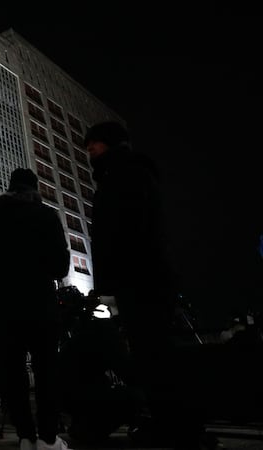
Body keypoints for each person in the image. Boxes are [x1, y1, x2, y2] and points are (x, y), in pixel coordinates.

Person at [84, 121, 214, 450]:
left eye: (94, 145)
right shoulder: (121, 175)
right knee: (150, 354)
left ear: (110, 144)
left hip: (141, 279)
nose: (89, 152)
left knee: (156, 353)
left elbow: (128, 232)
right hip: (139, 279)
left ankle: (179, 426)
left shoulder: (127, 175)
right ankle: (171, 422)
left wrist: (114, 283)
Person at [0, 168, 71, 450]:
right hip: (40, 306)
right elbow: (60, 266)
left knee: (11, 375)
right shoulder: (45, 217)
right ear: (34, 189)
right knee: (47, 372)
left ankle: (25, 436)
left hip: (4, 309)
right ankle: (48, 438)